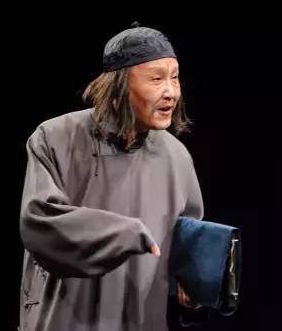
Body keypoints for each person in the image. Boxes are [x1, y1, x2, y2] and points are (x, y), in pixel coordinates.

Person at [18, 23, 205, 331]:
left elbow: (189, 245)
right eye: (156, 78)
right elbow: (41, 222)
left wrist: (196, 285)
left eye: (174, 77)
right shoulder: (55, 138)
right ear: (120, 84)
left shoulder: (176, 157)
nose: (171, 92)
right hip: (65, 319)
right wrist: (126, 233)